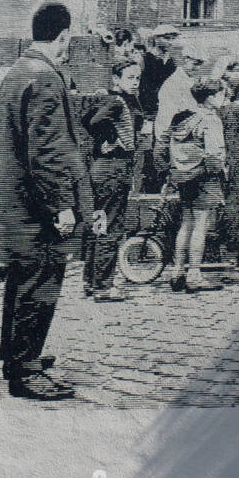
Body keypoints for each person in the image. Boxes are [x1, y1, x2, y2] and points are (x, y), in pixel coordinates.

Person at [0, 2, 101, 401]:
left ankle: (15, 358)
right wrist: (62, 206)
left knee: (23, 282)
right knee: (41, 285)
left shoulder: (19, 71)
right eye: (71, 39)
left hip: (18, 201)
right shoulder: (45, 78)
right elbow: (47, 151)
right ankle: (26, 371)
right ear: (64, 37)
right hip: (38, 207)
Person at [154, 77, 228, 293]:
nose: (223, 98)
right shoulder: (211, 120)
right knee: (201, 225)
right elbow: (214, 156)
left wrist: (170, 170)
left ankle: (178, 272)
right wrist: (218, 171)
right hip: (204, 178)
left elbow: (161, 144)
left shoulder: (182, 117)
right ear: (211, 97)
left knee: (186, 223)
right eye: (221, 94)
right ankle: (194, 274)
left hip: (184, 177)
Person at [80, 58, 143, 301]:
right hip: (113, 170)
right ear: (116, 79)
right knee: (110, 226)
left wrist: (104, 141)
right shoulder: (117, 100)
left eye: (138, 78)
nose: (135, 83)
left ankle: (90, 281)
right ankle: (103, 286)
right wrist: (110, 140)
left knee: (100, 224)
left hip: (104, 170)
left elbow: (86, 118)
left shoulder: (114, 98)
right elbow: (93, 122)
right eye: (130, 78)